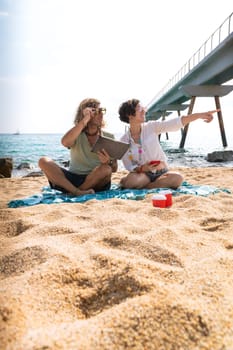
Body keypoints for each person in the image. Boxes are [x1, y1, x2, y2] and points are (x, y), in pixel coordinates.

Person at [118, 98, 218, 190]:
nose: (144, 111)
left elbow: (176, 123)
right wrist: (144, 168)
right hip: (142, 174)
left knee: (177, 178)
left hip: (161, 173)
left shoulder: (151, 127)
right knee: (136, 180)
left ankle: (148, 187)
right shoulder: (123, 140)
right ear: (129, 115)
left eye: (144, 108)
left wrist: (200, 115)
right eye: (140, 109)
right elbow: (129, 165)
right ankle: (146, 184)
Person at [39, 98, 117, 196]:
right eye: (96, 111)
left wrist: (108, 162)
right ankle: (77, 191)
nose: (101, 114)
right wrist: (84, 120)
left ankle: (75, 192)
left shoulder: (109, 137)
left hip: (96, 180)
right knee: (43, 161)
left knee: (106, 169)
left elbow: (114, 168)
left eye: (102, 111)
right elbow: (65, 142)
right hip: (73, 179)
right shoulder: (76, 133)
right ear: (85, 113)